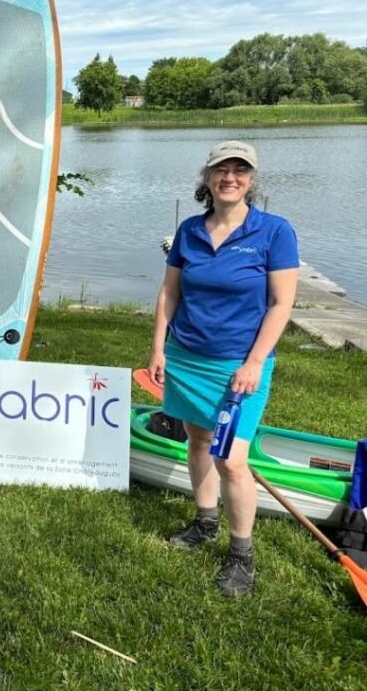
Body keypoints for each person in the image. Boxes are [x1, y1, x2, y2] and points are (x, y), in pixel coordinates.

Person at [147, 140, 299, 597]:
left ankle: (241, 555)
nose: (229, 177)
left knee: (231, 460)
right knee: (197, 441)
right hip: (186, 357)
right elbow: (168, 295)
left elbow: (281, 303)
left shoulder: (274, 232)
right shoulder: (190, 230)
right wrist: (158, 348)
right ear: (207, 178)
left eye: (240, 170)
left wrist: (255, 362)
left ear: (251, 180)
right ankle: (205, 522)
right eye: (221, 169)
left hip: (239, 366)